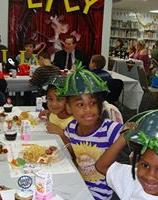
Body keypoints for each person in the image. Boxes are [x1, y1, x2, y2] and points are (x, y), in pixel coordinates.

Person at [56, 65, 123, 200]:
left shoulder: (111, 130)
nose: (88, 109)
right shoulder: (71, 127)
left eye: (93, 103)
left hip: (100, 194)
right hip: (78, 184)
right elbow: (73, 154)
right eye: (80, 105)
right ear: (69, 108)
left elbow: (133, 141)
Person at [96, 97, 158, 200]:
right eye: (145, 165)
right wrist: (124, 136)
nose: (150, 176)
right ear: (137, 162)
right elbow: (101, 166)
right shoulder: (132, 180)